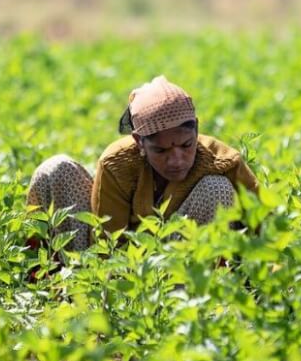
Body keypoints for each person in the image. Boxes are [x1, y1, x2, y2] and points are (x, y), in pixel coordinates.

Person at [27, 76, 259, 251]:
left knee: (217, 189)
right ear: (139, 142)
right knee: (55, 170)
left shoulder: (222, 160)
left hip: (183, 264)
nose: (177, 160)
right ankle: (63, 289)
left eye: (186, 145)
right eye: (161, 150)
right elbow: (108, 244)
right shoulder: (116, 164)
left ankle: (198, 299)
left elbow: (266, 223)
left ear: (197, 129)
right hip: (127, 268)